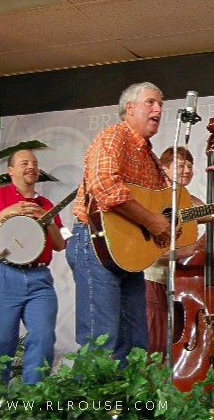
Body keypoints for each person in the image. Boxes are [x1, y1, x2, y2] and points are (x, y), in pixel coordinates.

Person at [67, 82, 171, 364]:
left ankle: (121, 408)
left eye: (160, 104)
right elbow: (105, 186)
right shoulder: (113, 137)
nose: (158, 109)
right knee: (102, 344)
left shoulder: (150, 157)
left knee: (136, 342)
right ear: (130, 108)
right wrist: (152, 221)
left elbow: (164, 207)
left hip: (127, 252)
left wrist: (213, 214)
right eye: (151, 102)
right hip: (95, 244)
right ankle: (89, 408)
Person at [0, 149, 65, 384]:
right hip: (0, 274)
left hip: (39, 277)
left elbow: (60, 243)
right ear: (10, 171)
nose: (31, 166)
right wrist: (5, 213)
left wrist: (47, 218)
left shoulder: (46, 204)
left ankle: (31, 403)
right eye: (24, 163)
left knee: (43, 337)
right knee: (0, 344)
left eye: (34, 163)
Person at [145, 146, 214, 357]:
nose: (187, 170)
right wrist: (189, 250)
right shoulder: (152, 200)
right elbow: (149, 250)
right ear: (164, 168)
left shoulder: (191, 202)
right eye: (181, 165)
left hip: (180, 284)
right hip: (153, 280)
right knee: (154, 343)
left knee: (175, 344)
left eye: (190, 166)